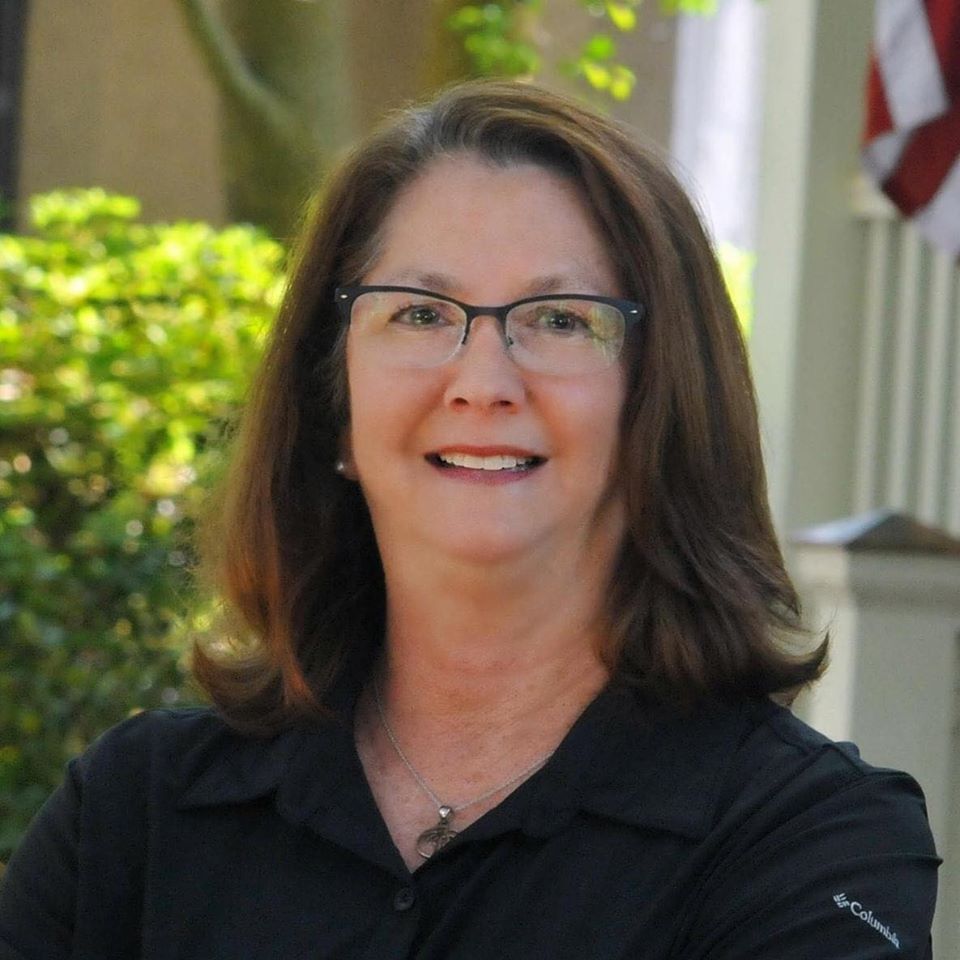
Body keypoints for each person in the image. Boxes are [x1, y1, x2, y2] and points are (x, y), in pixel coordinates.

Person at [0, 80, 939, 959]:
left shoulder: (807, 840)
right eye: (418, 314)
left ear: (662, 404)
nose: (483, 381)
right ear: (335, 406)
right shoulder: (134, 815)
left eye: (560, 319)